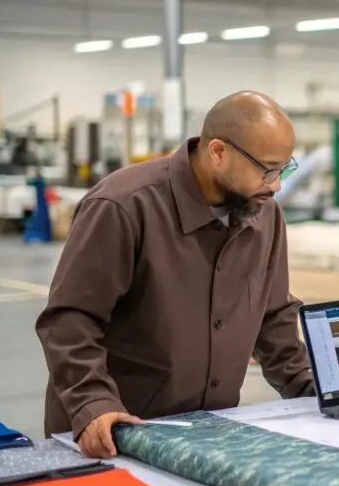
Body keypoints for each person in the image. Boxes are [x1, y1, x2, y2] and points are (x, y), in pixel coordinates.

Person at [37, 91, 316, 458]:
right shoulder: (124, 206)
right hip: (117, 436)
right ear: (218, 152)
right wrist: (92, 404)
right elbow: (70, 320)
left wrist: (313, 390)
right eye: (267, 169)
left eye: (285, 168)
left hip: (209, 436)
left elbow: (273, 315)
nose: (277, 184)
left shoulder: (262, 214)